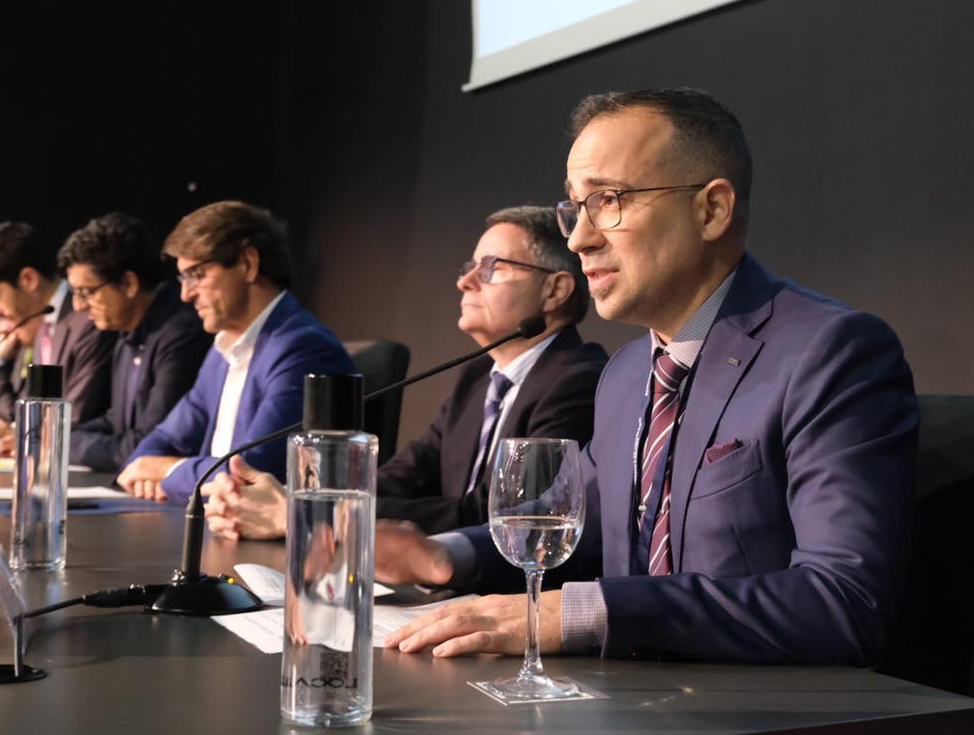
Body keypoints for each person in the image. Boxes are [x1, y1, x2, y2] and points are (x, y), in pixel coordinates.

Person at [376, 89, 919, 665]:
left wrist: (581, 612)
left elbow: (844, 602)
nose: (579, 238)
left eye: (610, 199)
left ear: (711, 210)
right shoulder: (627, 372)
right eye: (575, 208)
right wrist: (444, 554)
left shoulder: (829, 352)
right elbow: (569, 525)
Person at [203, 205, 609, 540]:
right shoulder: (479, 376)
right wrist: (306, 500)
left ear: (555, 290)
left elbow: (500, 515)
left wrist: (317, 515)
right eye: (470, 267)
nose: (464, 281)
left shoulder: (577, 380)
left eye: (492, 268)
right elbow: (406, 474)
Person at [117, 201, 354, 504]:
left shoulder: (303, 348)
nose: (185, 294)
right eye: (183, 278)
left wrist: (167, 473)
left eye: (197, 274)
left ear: (247, 263)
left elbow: (251, 473)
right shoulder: (222, 351)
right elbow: (159, 442)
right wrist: (150, 468)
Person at [58, 213, 212, 473]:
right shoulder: (126, 329)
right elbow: (117, 421)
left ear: (128, 283)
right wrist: (52, 435)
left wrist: (62, 445)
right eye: (75, 293)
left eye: (87, 292)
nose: (78, 306)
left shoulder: (181, 333)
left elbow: (149, 447)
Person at [0, 222, 114, 428]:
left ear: (28, 279)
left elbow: (66, 424)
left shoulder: (89, 320)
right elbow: (19, 414)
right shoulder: (35, 321)